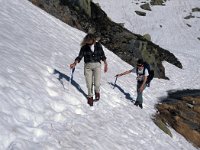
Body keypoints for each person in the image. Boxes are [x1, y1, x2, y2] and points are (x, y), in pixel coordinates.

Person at [70, 34, 108, 106]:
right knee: (89, 83)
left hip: (97, 66)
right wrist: (74, 63)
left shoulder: (98, 45)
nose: (88, 42)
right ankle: (90, 97)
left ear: (93, 40)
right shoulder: (84, 47)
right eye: (86, 41)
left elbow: (102, 55)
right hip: (88, 67)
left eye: (89, 41)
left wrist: (106, 64)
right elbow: (80, 56)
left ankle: (97, 92)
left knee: (96, 83)